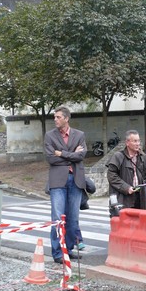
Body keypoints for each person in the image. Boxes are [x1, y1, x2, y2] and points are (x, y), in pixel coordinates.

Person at [44, 106, 86, 264]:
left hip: (75, 180)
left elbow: (81, 156)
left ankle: (68, 250)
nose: (55, 119)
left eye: (58, 117)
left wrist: (61, 153)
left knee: (73, 219)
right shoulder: (50, 136)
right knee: (57, 219)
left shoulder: (79, 135)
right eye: (54, 117)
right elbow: (50, 158)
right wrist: (72, 155)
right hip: (57, 181)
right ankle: (57, 253)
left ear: (66, 119)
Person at [107, 130, 146, 210]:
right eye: (135, 141)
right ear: (127, 143)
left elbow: (145, 174)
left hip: (139, 197)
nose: (138, 144)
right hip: (123, 198)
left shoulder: (142, 157)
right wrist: (126, 188)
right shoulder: (118, 156)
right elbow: (111, 176)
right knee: (124, 221)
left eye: (139, 141)